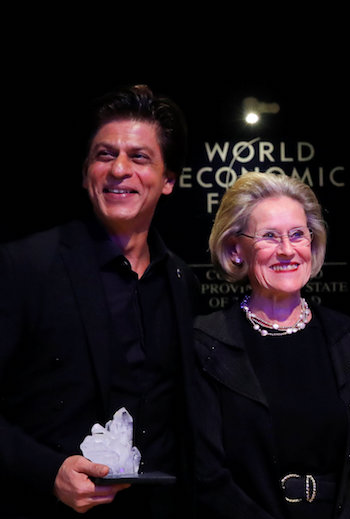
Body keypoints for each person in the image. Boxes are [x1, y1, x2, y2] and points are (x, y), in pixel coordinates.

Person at [0, 84, 199, 517]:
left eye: (139, 157)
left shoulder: (180, 278)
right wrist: (47, 471)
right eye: (104, 155)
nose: (118, 170)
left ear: (168, 180)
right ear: (86, 170)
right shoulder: (26, 266)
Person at [189, 172, 350, 519]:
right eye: (270, 237)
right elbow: (206, 475)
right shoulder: (206, 343)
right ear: (236, 248)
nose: (287, 250)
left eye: (297, 235)